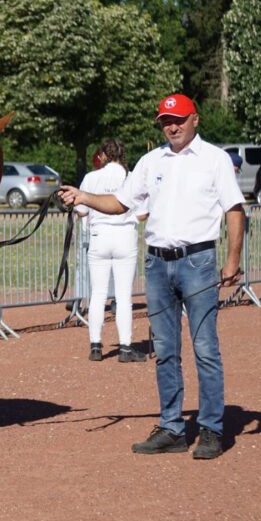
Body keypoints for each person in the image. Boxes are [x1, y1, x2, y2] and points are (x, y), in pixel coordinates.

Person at [59, 93, 245, 460]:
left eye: (177, 119)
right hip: (158, 264)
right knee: (165, 352)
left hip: (198, 262)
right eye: (165, 121)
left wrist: (232, 260)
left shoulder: (215, 160)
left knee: (205, 349)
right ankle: (173, 428)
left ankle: (210, 430)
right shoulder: (150, 161)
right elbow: (120, 204)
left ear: (195, 119)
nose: (171, 126)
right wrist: (83, 196)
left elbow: (234, 210)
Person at [75, 139, 146, 363]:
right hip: (125, 235)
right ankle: (125, 347)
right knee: (124, 297)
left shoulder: (91, 177)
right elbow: (143, 214)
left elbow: (81, 211)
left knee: (97, 294)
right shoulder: (131, 177)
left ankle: (95, 345)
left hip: (99, 235)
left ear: (104, 155)